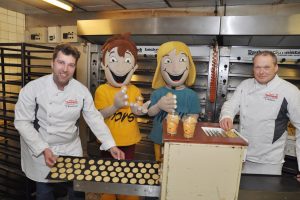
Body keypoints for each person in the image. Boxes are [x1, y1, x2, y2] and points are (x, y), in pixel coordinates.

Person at [14, 43, 125, 200]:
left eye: (70, 65)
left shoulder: (80, 91)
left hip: (70, 149)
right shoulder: (33, 89)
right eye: (61, 62)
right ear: (52, 63)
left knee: (76, 192)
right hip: (41, 149)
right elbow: (22, 122)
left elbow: (94, 118)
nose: (65, 69)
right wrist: (43, 149)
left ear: (75, 67)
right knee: (44, 193)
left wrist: (110, 144)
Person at [219, 50, 300, 175]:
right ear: (253, 68)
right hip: (242, 155)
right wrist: (226, 116)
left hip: (269, 162)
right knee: (240, 193)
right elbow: (231, 104)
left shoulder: (289, 91)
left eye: (266, 67)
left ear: (276, 67)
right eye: (258, 67)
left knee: (266, 194)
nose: (261, 72)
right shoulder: (245, 85)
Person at [94, 33, 149, 200]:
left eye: (126, 62)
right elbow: (99, 115)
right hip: (108, 142)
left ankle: (126, 195)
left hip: (129, 140)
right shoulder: (102, 90)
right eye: (113, 61)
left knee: (127, 173)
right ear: (104, 64)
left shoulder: (134, 90)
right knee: (108, 174)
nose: (120, 67)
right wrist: (115, 106)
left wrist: (141, 110)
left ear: (134, 68)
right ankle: (109, 194)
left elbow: (136, 109)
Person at [148, 41, 201, 161]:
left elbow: (194, 116)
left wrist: (183, 121)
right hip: (159, 139)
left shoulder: (191, 96)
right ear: (160, 68)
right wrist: (159, 106)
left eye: (181, 60)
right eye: (167, 61)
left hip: (182, 141)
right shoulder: (157, 93)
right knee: (159, 165)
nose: (175, 69)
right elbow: (150, 112)